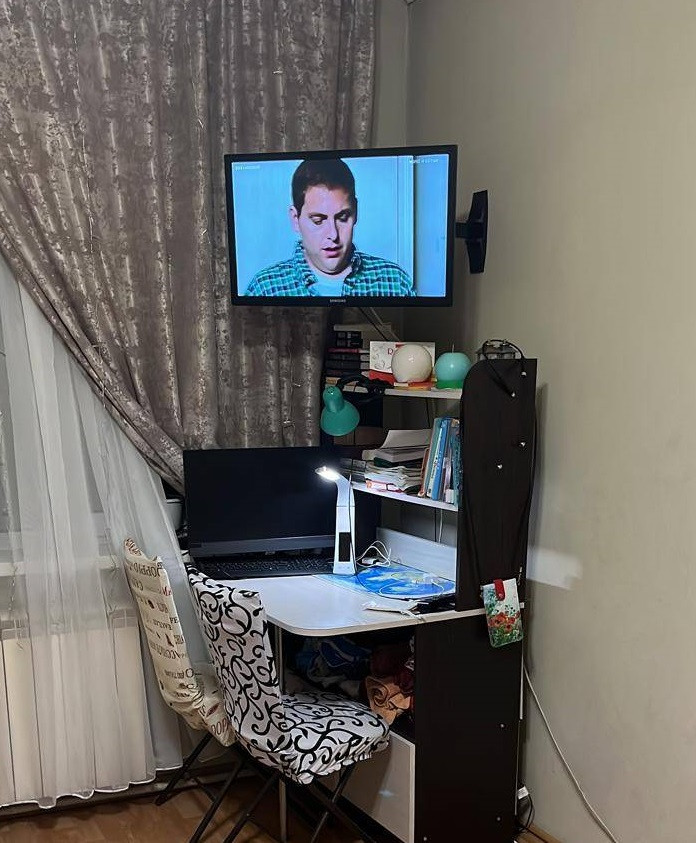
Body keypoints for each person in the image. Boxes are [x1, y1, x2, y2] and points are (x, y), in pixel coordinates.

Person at [244, 158, 415, 297]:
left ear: (356, 212)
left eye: (342, 218)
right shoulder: (264, 288)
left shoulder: (396, 281)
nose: (333, 235)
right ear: (295, 219)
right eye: (318, 221)